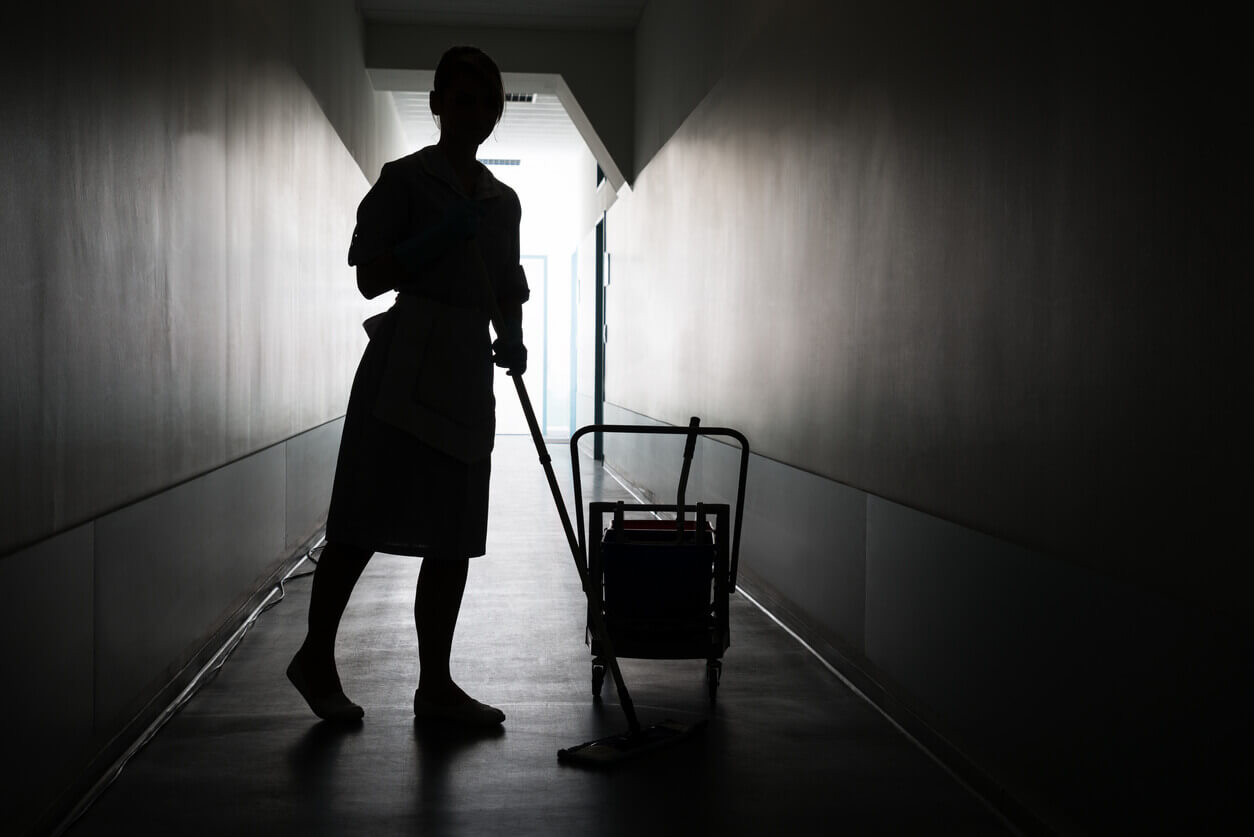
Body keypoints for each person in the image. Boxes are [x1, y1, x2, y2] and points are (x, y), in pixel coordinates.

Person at [287, 45, 528, 726]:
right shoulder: (403, 181)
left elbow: (506, 286)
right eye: (463, 99)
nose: (476, 114)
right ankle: (315, 655)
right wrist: (434, 240)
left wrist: (513, 338)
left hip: (465, 371)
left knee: (453, 531)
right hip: (403, 365)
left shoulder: (502, 203)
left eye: (488, 103)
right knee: (364, 516)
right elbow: (370, 276)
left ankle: (436, 686)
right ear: (437, 104)